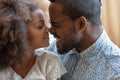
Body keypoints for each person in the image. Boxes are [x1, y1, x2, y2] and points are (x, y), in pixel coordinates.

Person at [48, 0, 120, 80]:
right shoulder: (55, 49)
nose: (50, 30)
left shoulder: (115, 72)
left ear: (81, 24)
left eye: (55, 25)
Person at [0, 0, 66, 80]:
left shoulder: (49, 62)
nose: (48, 30)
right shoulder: (2, 68)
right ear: (19, 34)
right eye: (40, 26)